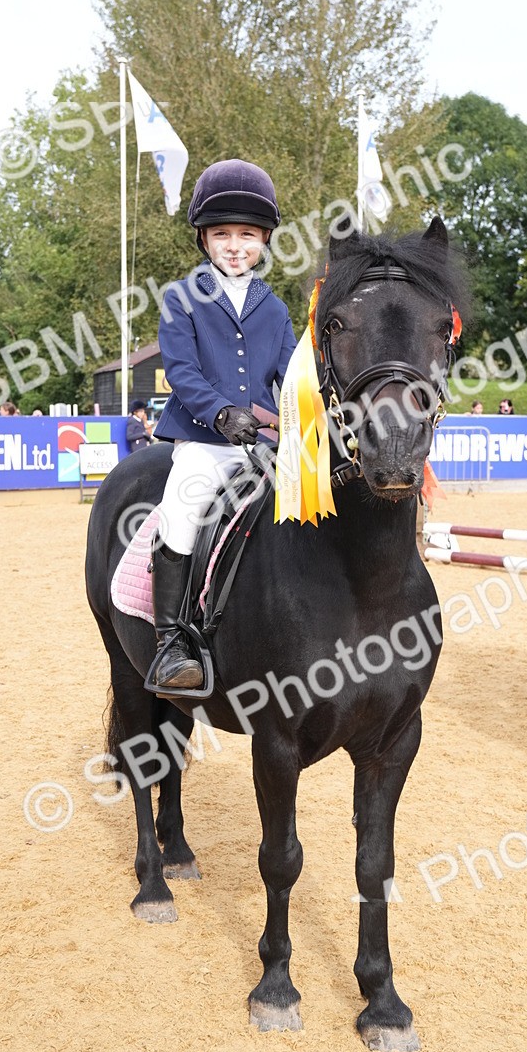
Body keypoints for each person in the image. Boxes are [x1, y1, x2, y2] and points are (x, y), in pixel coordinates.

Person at [150, 159, 297, 689]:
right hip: (204, 440)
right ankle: (170, 644)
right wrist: (220, 413)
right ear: (205, 241)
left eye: (248, 235)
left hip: (262, 443)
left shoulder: (276, 309)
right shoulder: (181, 298)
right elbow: (182, 372)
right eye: (222, 235)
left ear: (263, 241)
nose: (236, 245)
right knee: (183, 506)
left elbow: (292, 373)